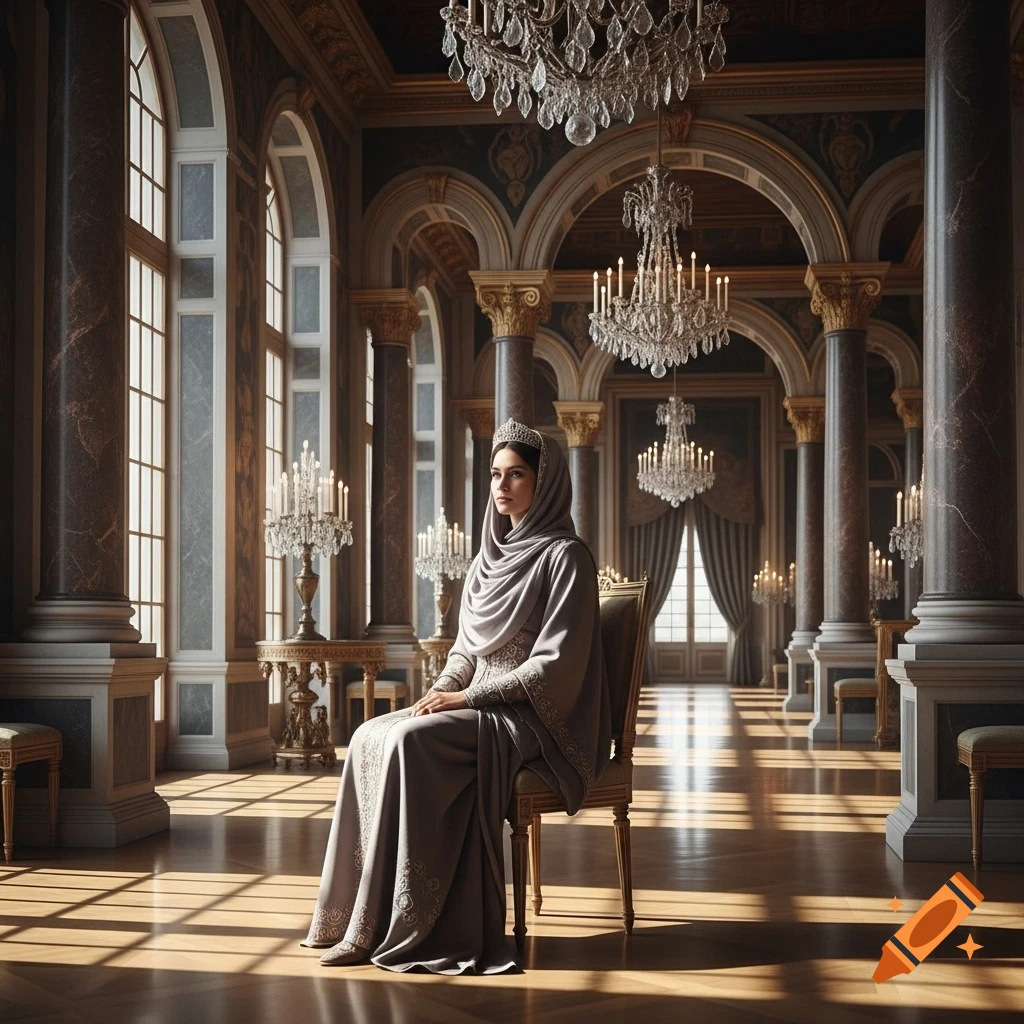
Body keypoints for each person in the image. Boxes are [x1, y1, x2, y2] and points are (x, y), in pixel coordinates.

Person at [302, 418, 610, 974]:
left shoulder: (567, 558)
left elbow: (555, 667)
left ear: (545, 483)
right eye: (495, 475)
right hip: (474, 702)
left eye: (516, 475)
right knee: (371, 734)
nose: (501, 487)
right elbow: (465, 652)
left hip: (527, 717)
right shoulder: (484, 562)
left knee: (412, 743)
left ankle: (406, 923)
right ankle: (356, 918)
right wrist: (443, 688)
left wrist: (467, 700)